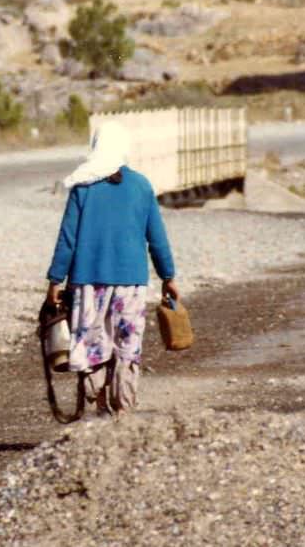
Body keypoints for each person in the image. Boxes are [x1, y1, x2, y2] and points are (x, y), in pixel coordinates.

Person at [45, 120, 180, 417]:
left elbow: (68, 238)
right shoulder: (142, 185)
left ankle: (97, 412)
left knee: (93, 346)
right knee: (127, 347)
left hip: (89, 283)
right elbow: (157, 238)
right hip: (131, 283)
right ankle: (124, 413)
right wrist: (168, 276)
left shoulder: (84, 186)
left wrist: (56, 280)